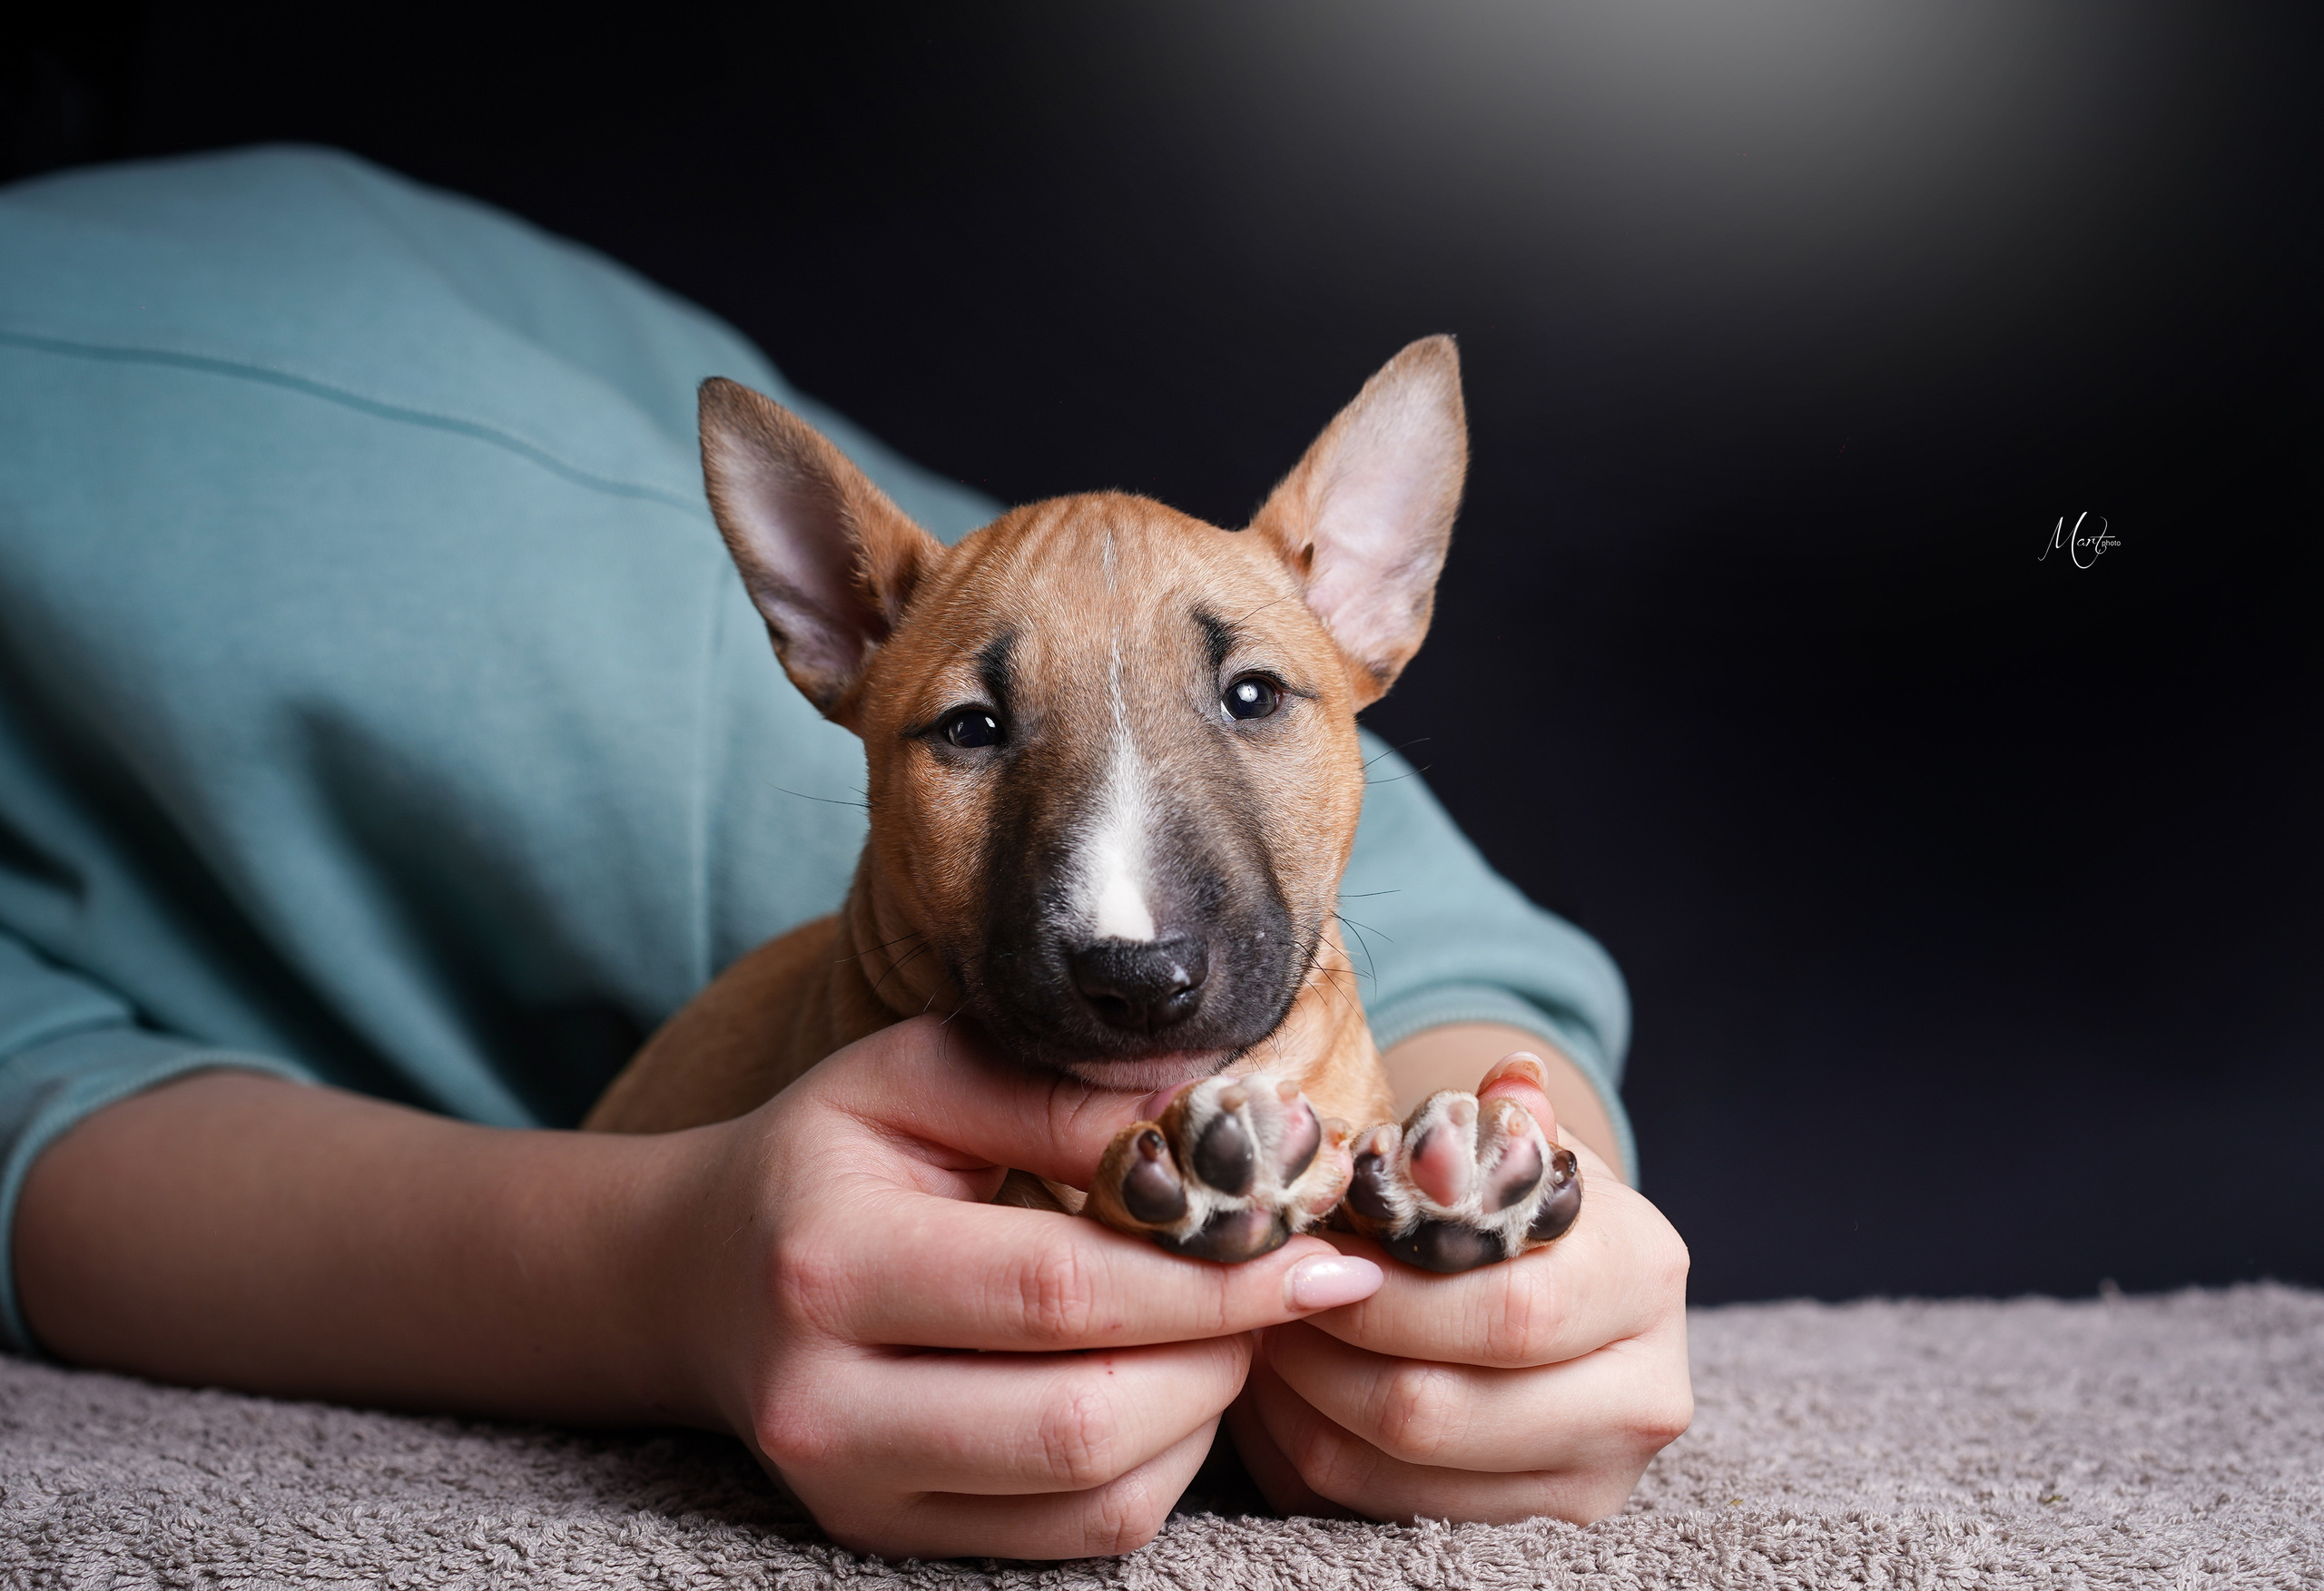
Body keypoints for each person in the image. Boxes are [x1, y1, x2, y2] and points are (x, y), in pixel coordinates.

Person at [0, 146, 1691, 1559]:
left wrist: (1524, 1189)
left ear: (1377, 599)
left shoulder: (425, 476)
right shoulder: (908, 671)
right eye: (973, 731)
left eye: (1251, 697)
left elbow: (1434, 930)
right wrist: (657, 1283)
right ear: (826, 621)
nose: (1137, 945)